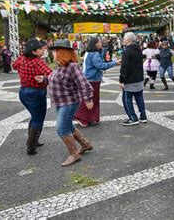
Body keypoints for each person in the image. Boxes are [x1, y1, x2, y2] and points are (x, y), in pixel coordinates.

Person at [48, 39, 94, 167]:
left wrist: (88, 99)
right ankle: (85, 144)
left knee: (62, 129)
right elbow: (57, 80)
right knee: (68, 126)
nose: (53, 53)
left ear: (62, 52)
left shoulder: (72, 66)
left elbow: (83, 83)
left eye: (55, 51)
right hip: (59, 102)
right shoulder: (59, 66)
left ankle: (74, 154)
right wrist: (45, 79)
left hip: (68, 102)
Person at [12, 39, 53, 155]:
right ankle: (31, 146)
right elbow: (51, 73)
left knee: (34, 116)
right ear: (34, 51)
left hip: (23, 92)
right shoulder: (37, 61)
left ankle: (32, 140)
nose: (43, 49)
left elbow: (14, 66)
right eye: (40, 49)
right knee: (38, 119)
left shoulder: (21, 58)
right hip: (37, 92)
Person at [74, 37, 119, 127]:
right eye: (100, 42)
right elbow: (100, 65)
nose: (101, 43)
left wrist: (104, 48)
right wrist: (114, 62)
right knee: (90, 99)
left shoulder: (89, 52)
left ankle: (88, 118)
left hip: (90, 78)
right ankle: (82, 118)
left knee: (90, 99)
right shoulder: (94, 54)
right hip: (92, 79)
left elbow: (99, 61)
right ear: (95, 44)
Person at [120, 32, 147, 126]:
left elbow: (124, 67)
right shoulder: (139, 49)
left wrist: (121, 80)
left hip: (129, 79)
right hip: (139, 77)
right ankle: (143, 116)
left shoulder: (127, 51)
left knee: (126, 99)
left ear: (128, 40)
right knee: (139, 98)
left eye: (124, 39)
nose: (123, 40)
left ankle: (133, 118)